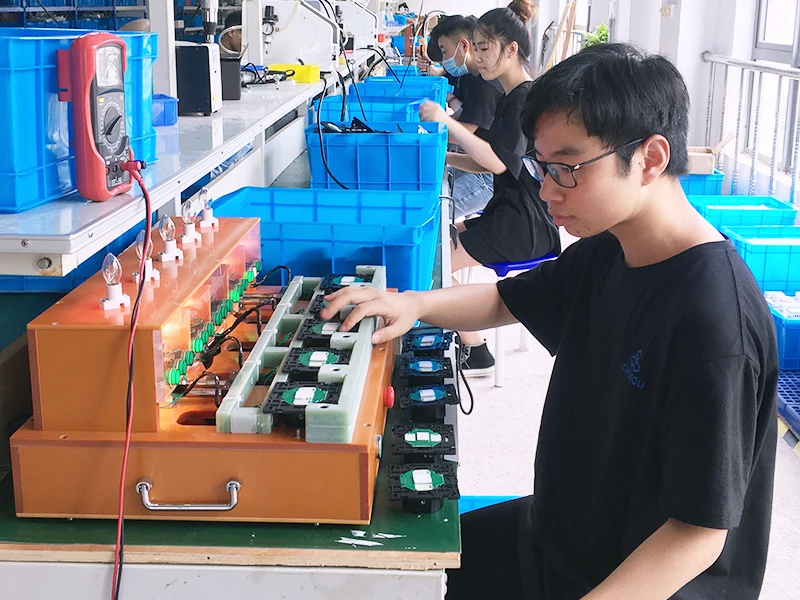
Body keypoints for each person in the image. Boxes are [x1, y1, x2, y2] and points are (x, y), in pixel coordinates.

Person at [322, 43, 778, 600]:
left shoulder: (716, 325)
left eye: (567, 169)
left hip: (632, 580)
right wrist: (414, 304)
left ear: (650, 158)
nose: (546, 190)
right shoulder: (612, 247)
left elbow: (698, 534)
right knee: (388, 572)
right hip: (560, 535)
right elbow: (506, 300)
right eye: (543, 167)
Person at [420, 7, 560, 375]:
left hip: (521, 226)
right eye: (476, 48)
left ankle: (476, 349)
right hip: (506, 213)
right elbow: (490, 162)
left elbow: (497, 162)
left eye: (485, 48)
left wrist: (446, 121)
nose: (478, 57)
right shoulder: (511, 94)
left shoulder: (523, 98)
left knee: (433, 265)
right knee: (436, 242)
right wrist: (446, 158)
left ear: (511, 49)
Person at [431, 15, 505, 219]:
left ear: (464, 45)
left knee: (435, 213)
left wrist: (431, 125)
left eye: (444, 51)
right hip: (476, 162)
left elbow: (460, 134)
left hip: (486, 177)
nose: (444, 59)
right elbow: (462, 116)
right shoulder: (477, 79)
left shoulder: (487, 84)